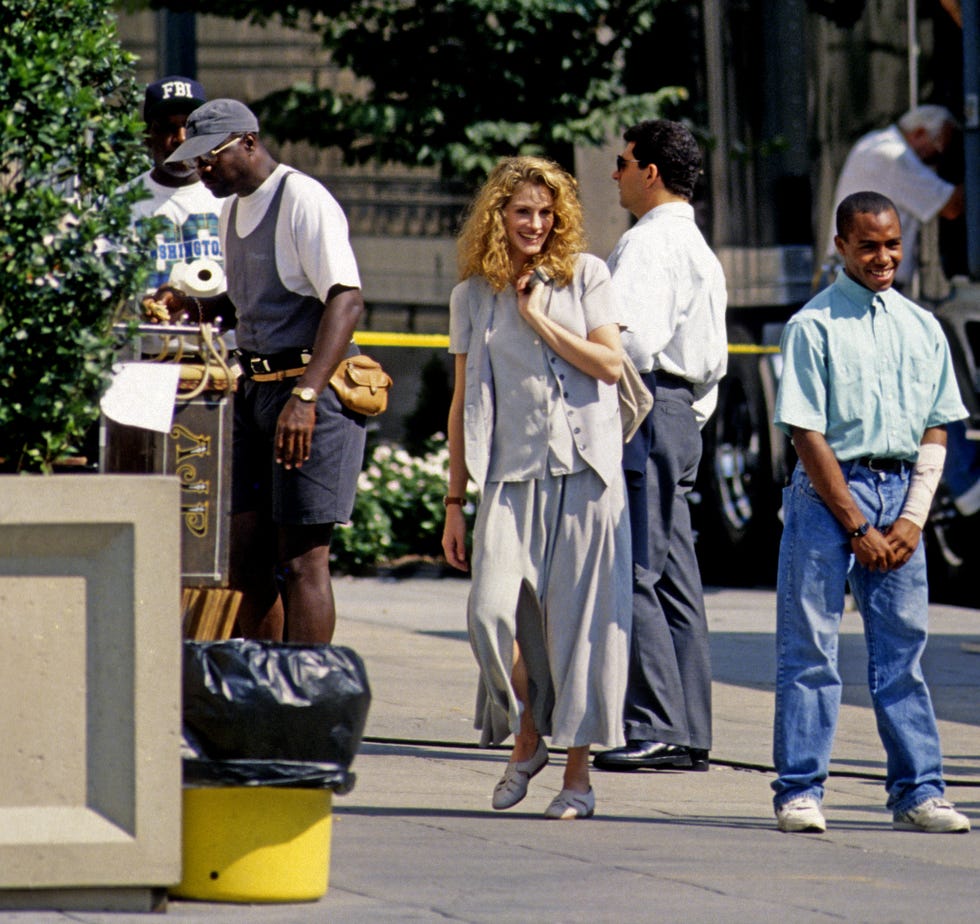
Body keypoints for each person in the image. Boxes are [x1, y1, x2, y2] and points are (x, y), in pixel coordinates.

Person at [772, 190, 970, 835]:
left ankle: (919, 792)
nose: (882, 256)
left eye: (891, 244)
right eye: (868, 246)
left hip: (899, 495)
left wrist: (912, 518)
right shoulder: (814, 326)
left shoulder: (923, 326)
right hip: (827, 497)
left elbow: (938, 425)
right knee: (810, 650)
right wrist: (856, 524)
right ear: (842, 248)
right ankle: (799, 790)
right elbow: (806, 433)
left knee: (903, 653)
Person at [441, 156, 632, 819]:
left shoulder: (587, 276)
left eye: (546, 213)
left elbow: (610, 364)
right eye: (522, 211)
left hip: (586, 475)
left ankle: (576, 778)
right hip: (509, 476)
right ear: (499, 214)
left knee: (577, 629)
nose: (535, 223)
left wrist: (542, 321)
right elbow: (463, 399)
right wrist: (454, 502)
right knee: (492, 616)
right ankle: (527, 733)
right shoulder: (471, 294)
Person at [158, 98, 367, 644]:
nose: (201, 170)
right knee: (245, 559)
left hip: (307, 396)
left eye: (210, 157)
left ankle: (306, 698)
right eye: (195, 160)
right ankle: (262, 690)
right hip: (254, 393)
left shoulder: (302, 198)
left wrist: (306, 396)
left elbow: (345, 300)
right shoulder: (230, 208)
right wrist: (196, 306)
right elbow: (250, 302)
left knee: (302, 561)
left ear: (248, 142)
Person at [593, 120, 727, 774]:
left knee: (636, 571)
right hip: (680, 411)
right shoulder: (698, 245)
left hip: (646, 404)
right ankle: (691, 729)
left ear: (650, 172)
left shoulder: (646, 245)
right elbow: (713, 362)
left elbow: (629, 343)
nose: (614, 173)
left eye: (622, 162)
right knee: (675, 577)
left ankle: (653, 725)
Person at [826, 105, 963, 292]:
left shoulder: (873, 142)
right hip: (865, 279)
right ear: (919, 133)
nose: (938, 159)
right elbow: (952, 206)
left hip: (855, 273)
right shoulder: (894, 156)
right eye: (939, 149)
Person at [129, 76, 224, 294]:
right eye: (168, 128)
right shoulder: (121, 204)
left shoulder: (230, 198)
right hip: (146, 327)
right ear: (147, 136)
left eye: (191, 127)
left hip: (220, 328)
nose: (181, 138)